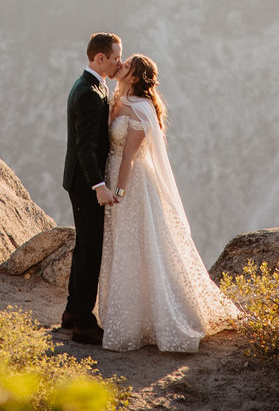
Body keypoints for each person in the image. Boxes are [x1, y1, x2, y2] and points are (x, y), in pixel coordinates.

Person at [97, 53, 240, 353]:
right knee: (124, 244)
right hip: (112, 176)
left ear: (135, 77)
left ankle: (152, 319)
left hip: (132, 183)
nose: (120, 66)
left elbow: (129, 158)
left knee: (140, 243)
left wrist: (119, 193)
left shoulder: (141, 110)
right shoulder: (118, 100)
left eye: (127, 66)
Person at [61, 31, 123, 344]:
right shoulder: (87, 91)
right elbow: (84, 146)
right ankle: (83, 325)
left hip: (81, 180)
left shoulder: (93, 85)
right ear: (99, 58)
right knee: (91, 251)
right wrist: (99, 185)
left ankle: (72, 312)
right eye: (115, 58)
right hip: (86, 184)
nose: (119, 63)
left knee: (85, 246)